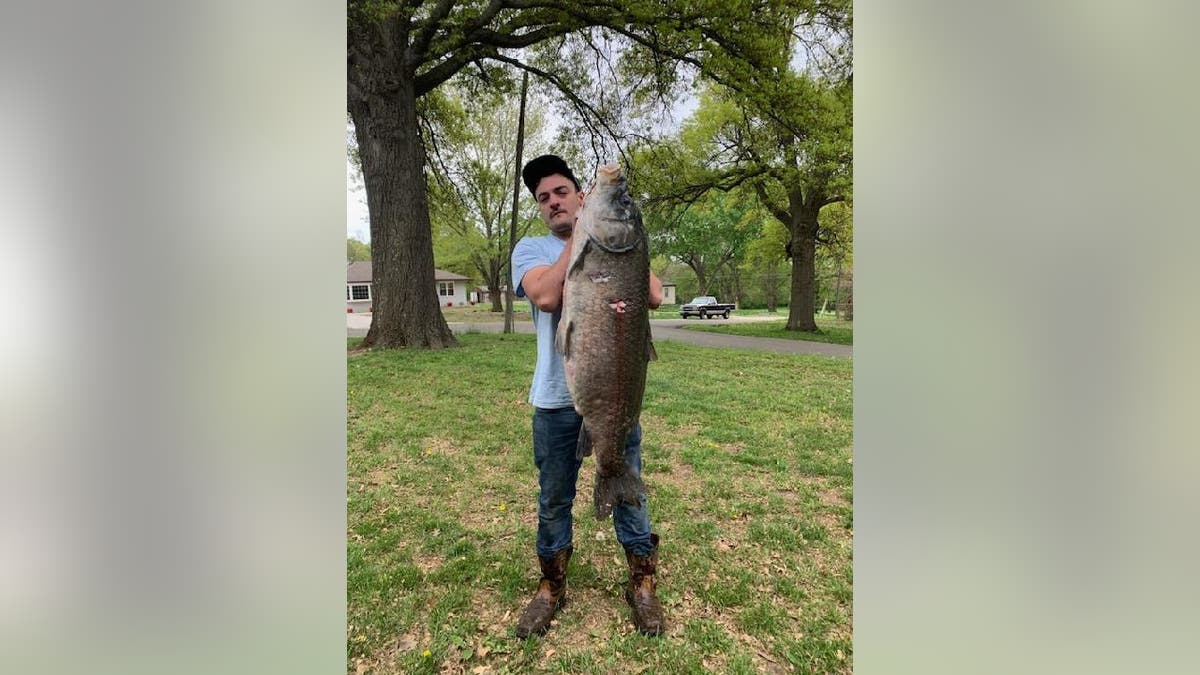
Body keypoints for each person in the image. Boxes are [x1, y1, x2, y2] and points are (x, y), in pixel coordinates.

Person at [510, 154, 666, 638]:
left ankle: (642, 584)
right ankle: (551, 587)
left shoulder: (620, 241)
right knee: (554, 498)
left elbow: (655, 296)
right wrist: (581, 239)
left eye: (561, 192)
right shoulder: (531, 249)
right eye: (543, 198)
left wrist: (608, 235)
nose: (553, 202)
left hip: (617, 396)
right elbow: (546, 297)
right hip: (556, 402)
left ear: (582, 196)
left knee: (630, 494)